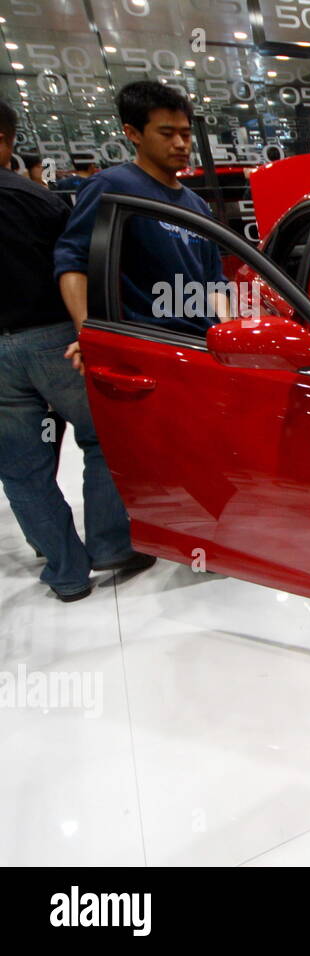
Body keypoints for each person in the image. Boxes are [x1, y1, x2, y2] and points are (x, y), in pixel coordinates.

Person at [0, 99, 149, 601]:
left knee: (21, 466)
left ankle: (64, 572)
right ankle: (109, 544)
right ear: (7, 141)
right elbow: (74, 262)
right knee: (102, 439)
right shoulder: (33, 198)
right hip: (54, 339)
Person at [55, 80, 227, 346]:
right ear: (133, 133)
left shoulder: (196, 204)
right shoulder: (112, 188)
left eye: (186, 133)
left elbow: (212, 280)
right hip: (146, 344)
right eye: (167, 134)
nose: (181, 144)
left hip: (199, 345)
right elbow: (73, 263)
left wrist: (227, 335)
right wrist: (90, 336)